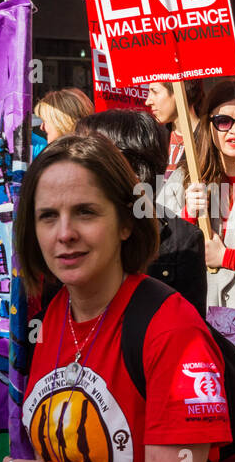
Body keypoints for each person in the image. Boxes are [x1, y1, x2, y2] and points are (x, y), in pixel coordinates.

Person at [7, 133, 235, 462]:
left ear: (126, 225)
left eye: (86, 212)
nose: (64, 233)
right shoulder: (47, 319)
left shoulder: (171, 329)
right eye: (48, 216)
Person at [75, 109, 208, 317]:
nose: (76, 163)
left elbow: (189, 332)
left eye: (90, 155)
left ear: (132, 166)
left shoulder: (184, 240)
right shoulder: (68, 230)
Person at [160, 80, 235, 309]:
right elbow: (161, 250)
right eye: (223, 121)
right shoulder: (184, 177)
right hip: (196, 309)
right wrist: (187, 215)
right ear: (208, 124)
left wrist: (227, 258)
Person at [145, 81, 200, 173]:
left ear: (179, 92)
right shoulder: (154, 137)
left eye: (155, 92)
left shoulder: (211, 139)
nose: (148, 102)